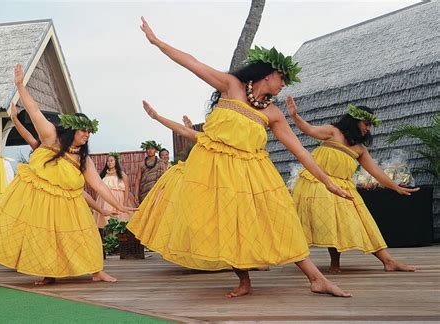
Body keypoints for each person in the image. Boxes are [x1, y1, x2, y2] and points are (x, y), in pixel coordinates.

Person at [128, 17, 353, 298]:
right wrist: (157, 42)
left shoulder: (273, 114)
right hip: (217, 172)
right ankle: (244, 281)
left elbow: (300, 151)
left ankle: (316, 279)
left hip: (254, 173)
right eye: (283, 78)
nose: (284, 85)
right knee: (229, 225)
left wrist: (328, 182)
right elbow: (192, 62)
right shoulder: (231, 86)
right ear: (268, 74)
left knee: (278, 219)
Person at [0, 64, 136, 285]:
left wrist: (119, 206)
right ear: (72, 129)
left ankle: (97, 271)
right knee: (46, 238)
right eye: (83, 131)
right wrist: (20, 85)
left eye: (89, 132)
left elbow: (98, 185)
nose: (87, 135)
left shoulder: (84, 158)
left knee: (87, 235)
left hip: (71, 205)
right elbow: (34, 110)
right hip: (46, 203)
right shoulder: (51, 138)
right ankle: (49, 274)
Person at [286, 98, 418, 273]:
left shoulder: (360, 149)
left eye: (370, 125)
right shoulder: (333, 132)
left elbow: (375, 172)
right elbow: (309, 129)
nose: (368, 128)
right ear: (355, 120)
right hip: (317, 183)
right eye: (366, 124)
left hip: (344, 187)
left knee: (363, 220)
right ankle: (334, 264)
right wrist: (295, 115)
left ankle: (388, 261)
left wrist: (395, 186)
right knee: (330, 221)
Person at [94, 153, 135, 229]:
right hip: (105, 200)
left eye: (111, 160)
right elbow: (98, 188)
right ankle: (109, 238)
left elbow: (126, 189)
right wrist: (97, 199)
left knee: (119, 218)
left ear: (116, 162)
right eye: (108, 161)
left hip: (118, 199)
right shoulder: (103, 174)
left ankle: (118, 237)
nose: (109, 162)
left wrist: (125, 203)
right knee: (107, 219)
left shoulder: (122, 174)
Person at [134, 140, 167, 204]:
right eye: (148, 148)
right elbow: (137, 180)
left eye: (152, 148)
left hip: (158, 193)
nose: (150, 150)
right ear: (146, 150)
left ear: (156, 150)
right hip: (144, 193)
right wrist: (136, 195)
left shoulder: (161, 163)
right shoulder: (141, 164)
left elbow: (165, 178)